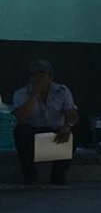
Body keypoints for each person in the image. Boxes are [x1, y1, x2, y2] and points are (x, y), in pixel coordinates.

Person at [11, 58, 78, 186]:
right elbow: (21, 117)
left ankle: (58, 175)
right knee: (21, 131)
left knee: (73, 130)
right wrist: (35, 94)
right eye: (34, 74)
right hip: (33, 132)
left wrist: (67, 126)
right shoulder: (21, 93)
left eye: (41, 74)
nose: (37, 78)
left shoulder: (62, 91)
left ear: (50, 76)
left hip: (56, 131)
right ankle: (30, 175)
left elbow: (71, 113)